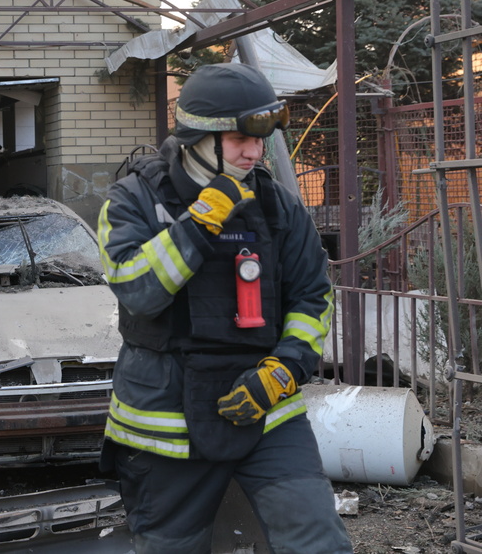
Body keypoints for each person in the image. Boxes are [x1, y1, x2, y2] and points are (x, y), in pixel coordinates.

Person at [97, 62, 353, 554]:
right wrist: (200, 221)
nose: (254, 152)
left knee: (318, 542)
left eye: (261, 140)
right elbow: (137, 290)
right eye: (240, 139)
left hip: (267, 413)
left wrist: (282, 371)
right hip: (163, 426)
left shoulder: (280, 207)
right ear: (200, 136)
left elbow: (313, 298)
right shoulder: (134, 200)